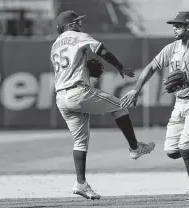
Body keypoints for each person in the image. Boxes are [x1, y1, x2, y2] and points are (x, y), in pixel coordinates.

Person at [121, 11, 189, 202]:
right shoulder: (172, 48)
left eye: (178, 25)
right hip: (179, 103)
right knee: (172, 152)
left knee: (186, 148)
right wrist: (136, 90)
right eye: (174, 25)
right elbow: (151, 67)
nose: (174, 28)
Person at [50, 10, 155, 200]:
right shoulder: (79, 36)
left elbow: (68, 68)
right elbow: (102, 51)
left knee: (80, 141)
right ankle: (134, 148)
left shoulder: (55, 45)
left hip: (61, 97)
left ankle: (80, 183)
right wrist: (120, 67)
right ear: (68, 26)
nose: (79, 24)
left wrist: (84, 68)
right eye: (75, 22)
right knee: (120, 106)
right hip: (77, 92)